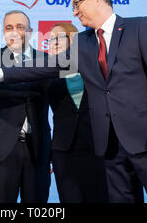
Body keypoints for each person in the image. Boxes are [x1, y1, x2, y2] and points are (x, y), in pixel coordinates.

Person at [0, 0, 147, 203]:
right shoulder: (82, 42)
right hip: (109, 145)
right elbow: (43, 66)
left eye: (77, 4)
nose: (75, 12)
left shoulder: (139, 27)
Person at [0, 10, 51, 203]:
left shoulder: (47, 60)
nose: (14, 32)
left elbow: (45, 93)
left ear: (30, 32)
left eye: (20, 27)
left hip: (37, 148)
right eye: (9, 28)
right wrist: (31, 86)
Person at [46, 22, 108, 203]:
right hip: (64, 149)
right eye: (50, 40)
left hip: (97, 146)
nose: (54, 42)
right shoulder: (45, 72)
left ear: (74, 40)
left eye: (59, 38)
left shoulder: (94, 65)